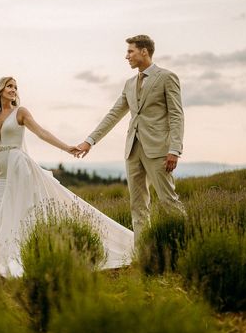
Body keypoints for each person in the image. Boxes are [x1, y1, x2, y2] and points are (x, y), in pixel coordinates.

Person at [0, 76, 134, 277]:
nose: (13, 89)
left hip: (19, 168)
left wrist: (66, 148)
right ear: (0, 89)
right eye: (9, 86)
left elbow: (41, 133)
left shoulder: (21, 112)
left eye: (15, 87)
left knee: (15, 211)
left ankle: (17, 253)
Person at [75, 34, 186, 242]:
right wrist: (90, 141)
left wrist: (174, 149)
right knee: (137, 205)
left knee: (168, 200)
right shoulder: (129, 83)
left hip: (159, 150)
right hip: (132, 150)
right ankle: (142, 254)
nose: (127, 56)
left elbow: (177, 114)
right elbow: (114, 114)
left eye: (130, 51)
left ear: (144, 51)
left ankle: (184, 246)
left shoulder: (166, 77)